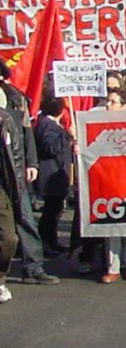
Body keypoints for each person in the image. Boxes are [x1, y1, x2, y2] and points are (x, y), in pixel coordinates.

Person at [0, 65, 58, 284]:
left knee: (24, 217)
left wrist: (31, 162)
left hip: (13, 170)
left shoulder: (16, 99)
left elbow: (26, 133)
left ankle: (33, 267)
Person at [100, 94, 126, 283]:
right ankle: (113, 267)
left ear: (124, 106)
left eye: (113, 102)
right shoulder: (97, 123)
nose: (108, 104)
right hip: (107, 180)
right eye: (107, 101)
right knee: (111, 226)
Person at [33, 96, 73, 257]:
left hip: (56, 174)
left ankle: (52, 240)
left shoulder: (48, 124)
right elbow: (50, 148)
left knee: (55, 211)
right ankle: (45, 242)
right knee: (50, 212)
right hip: (51, 174)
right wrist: (66, 137)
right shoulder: (47, 125)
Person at [1, 107, 25, 303]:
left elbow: (16, 153)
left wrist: (19, 183)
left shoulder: (5, 118)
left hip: (2, 187)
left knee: (9, 239)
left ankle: (0, 279)